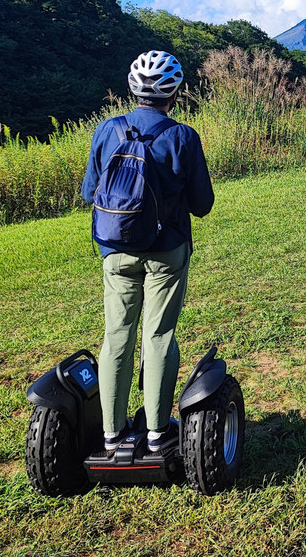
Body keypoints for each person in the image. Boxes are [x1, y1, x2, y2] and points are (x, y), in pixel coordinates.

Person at [81, 50, 215, 453]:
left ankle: (112, 432)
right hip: (166, 252)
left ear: (132, 89)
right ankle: (158, 432)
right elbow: (202, 204)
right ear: (175, 92)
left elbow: (90, 192)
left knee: (116, 336)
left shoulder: (107, 130)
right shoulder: (182, 136)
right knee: (158, 336)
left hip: (115, 250)